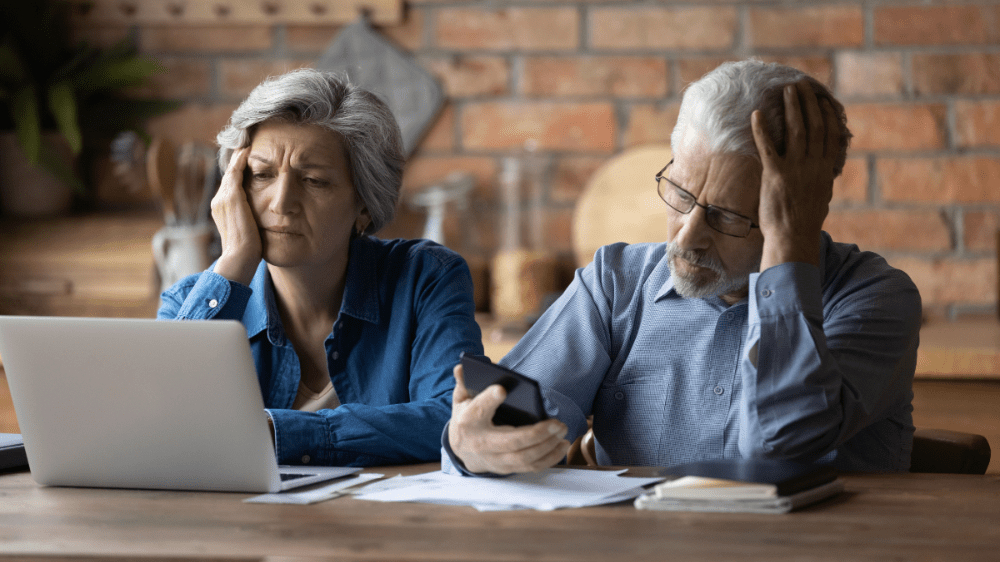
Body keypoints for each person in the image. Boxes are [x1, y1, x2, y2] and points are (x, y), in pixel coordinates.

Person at [445, 59, 921, 475]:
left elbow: (780, 449)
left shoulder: (875, 300)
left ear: (801, 208)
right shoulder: (617, 284)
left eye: (728, 216)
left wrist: (788, 245)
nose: (687, 236)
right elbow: (511, 423)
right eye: (680, 194)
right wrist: (470, 446)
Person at [158, 69, 483, 467]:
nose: (281, 202)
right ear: (233, 189)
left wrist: (278, 433)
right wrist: (235, 260)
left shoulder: (426, 278)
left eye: (313, 181)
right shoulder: (190, 301)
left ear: (363, 203)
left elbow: (455, 419)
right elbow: (163, 425)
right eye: (261, 176)